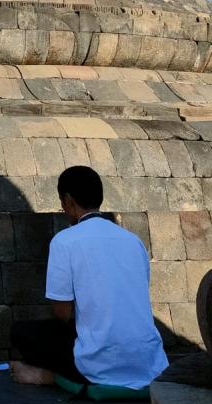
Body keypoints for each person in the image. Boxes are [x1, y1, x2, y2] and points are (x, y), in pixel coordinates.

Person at [10, 165, 168, 388]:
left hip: (96, 362)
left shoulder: (65, 241)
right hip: (149, 360)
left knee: (21, 332)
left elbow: (61, 313)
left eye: (62, 203)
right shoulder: (133, 241)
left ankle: (52, 376)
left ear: (69, 200)